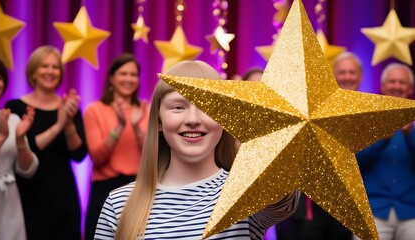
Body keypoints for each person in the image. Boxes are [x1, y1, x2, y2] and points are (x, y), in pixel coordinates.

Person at [94, 60, 300, 239]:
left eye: (207, 106)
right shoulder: (118, 203)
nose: (193, 119)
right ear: (158, 120)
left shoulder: (245, 194)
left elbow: (282, 192)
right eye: (178, 107)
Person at [275, 52, 362, 240]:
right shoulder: (316, 104)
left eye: (351, 72)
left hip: (344, 205)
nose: (347, 77)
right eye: (342, 72)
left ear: (360, 76)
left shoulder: (368, 111)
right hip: (308, 205)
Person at [4, 46, 88, 240]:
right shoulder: (15, 107)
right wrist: (58, 126)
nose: (50, 71)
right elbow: (27, 149)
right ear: (33, 71)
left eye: (55, 67)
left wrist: (68, 124)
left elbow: (79, 154)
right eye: (44, 66)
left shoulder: (69, 105)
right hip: (29, 191)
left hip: (63, 192)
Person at [83, 53, 150, 240]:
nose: (128, 79)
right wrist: (120, 126)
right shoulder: (94, 110)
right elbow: (97, 157)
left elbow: (153, 154)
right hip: (104, 190)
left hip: (140, 188)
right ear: (111, 78)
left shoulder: (147, 109)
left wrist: (136, 128)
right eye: (123, 74)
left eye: (133, 74)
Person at [355, 63, 415, 240]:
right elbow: (351, 162)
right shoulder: (364, 118)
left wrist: (409, 135)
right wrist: (382, 139)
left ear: (410, 88)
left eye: (402, 82)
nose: (397, 86)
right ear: (383, 86)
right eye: (392, 81)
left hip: (412, 213)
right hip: (372, 211)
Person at [0, 55, 38, 240]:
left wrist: (20, 138)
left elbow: (27, 170)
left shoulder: (12, 118)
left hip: (9, 198)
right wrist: (1, 136)